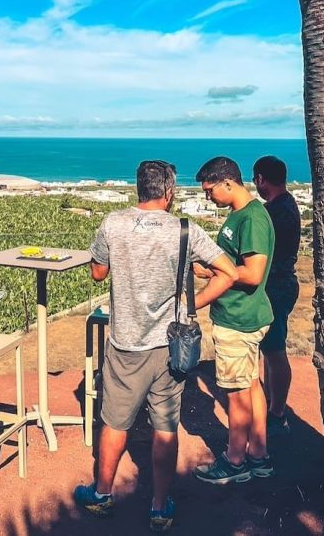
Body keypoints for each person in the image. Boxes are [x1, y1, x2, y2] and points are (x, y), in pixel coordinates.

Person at [74, 160, 238, 533]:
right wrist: (193, 305)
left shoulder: (112, 224)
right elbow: (228, 271)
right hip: (169, 345)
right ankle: (160, 507)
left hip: (125, 344)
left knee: (115, 421)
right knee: (166, 425)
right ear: (169, 192)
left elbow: (98, 271)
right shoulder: (185, 229)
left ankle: (101, 493)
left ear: (138, 189)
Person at [192, 156, 275, 485]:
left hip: (238, 319)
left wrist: (211, 271)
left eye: (210, 190)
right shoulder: (241, 215)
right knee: (251, 385)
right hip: (244, 314)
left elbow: (253, 274)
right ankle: (258, 455)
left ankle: (235, 461)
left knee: (236, 393)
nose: (207, 196)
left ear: (228, 182)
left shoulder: (251, 219)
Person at [253, 156, 301, 436]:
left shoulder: (273, 211)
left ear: (261, 179)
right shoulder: (288, 205)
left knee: (274, 351)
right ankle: (273, 404)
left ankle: (278, 412)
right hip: (283, 284)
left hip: (276, 286)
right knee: (272, 350)